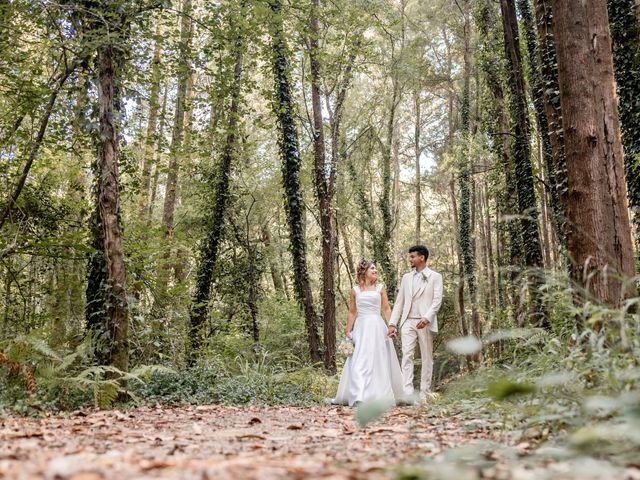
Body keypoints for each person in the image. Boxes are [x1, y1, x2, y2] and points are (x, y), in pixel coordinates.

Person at [333, 259, 404, 406]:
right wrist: (348, 329)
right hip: (361, 328)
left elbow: (386, 308)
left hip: (377, 327)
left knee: (379, 360)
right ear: (364, 272)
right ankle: (358, 396)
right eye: (372, 269)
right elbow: (352, 312)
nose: (375, 271)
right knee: (359, 360)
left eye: (376, 269)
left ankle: (380, 396)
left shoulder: (380, 288)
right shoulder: (355, 290)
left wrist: (392, 325)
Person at [388, 245, 443, 403]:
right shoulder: (406, 278)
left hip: (424, 322)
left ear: (422, 258)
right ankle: (408, 393)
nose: (410, 259)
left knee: (427, 358)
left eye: (412, 257)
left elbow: (437, 300)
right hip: (407, 322)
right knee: (407, 355)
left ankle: (424, 394)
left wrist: (427, 318)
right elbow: (399, 303)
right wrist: (393, 323)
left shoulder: (435, 276)